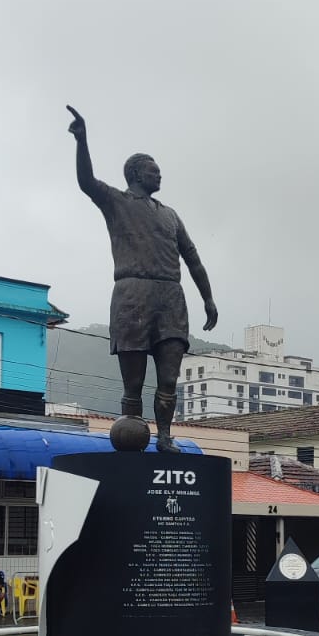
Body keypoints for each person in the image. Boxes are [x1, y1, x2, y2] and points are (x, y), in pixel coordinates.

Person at [67, 105, 218, 452]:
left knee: (169, 377)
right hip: (132, 294)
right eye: (154, 171)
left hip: (171, 298)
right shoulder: (116, 201)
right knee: (132, 382)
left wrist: (207, 297)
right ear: (136, 173)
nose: (160, 177)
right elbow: (86, 182)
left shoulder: (171, 215)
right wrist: (82, 139)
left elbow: (193, 258)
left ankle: (165, 436)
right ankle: (132, 440)